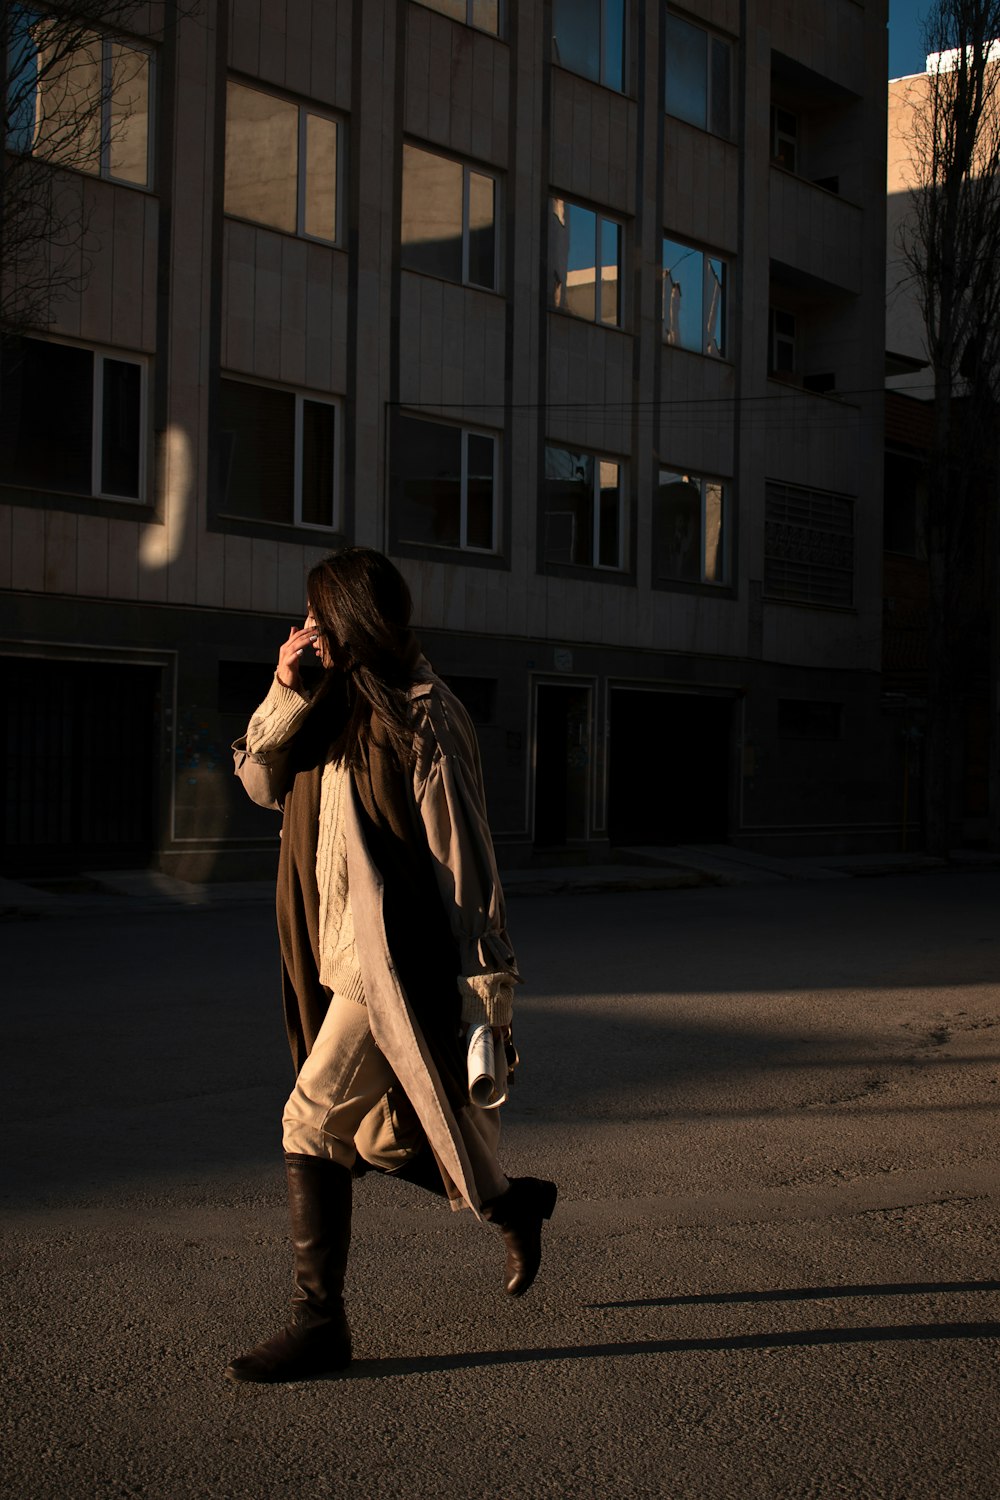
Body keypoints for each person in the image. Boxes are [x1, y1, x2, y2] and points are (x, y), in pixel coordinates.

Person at [226, 546, 556, 1383]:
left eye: (313, 618)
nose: (302, 631)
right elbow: (260, 783)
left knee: (311, 1120)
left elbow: (463, 858)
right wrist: (284, 687)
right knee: (367, 1137)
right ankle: (513, 1202)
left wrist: (490, 987)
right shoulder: (324, 705)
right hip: (329, 948)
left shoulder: (423, 713)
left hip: (388, 961)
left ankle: (319, 1324)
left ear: (347, 621)